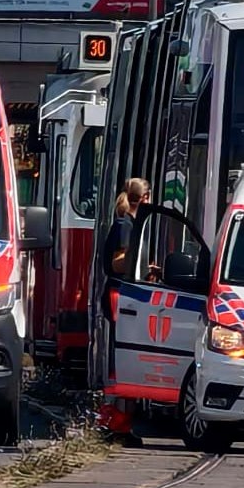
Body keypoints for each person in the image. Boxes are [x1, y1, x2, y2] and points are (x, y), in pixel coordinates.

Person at [96, 178, 152, 447]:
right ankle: (115, 422)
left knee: (123, 361)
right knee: (121, 362)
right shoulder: (125, 225)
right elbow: (119, 263)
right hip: (120, 296)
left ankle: (118, 421)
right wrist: (138, 267)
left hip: (119, 296)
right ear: (145, 198)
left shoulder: (125, 223)